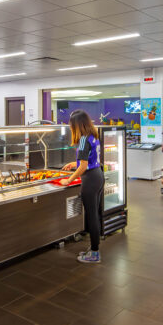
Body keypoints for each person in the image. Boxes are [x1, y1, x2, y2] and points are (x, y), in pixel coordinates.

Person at [62, 110, 104, 263]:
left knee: (91, 215)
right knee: (94, 214)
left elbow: (84, 166)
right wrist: (75, 163)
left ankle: (95, 253)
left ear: (77, 125)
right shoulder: (93, 136)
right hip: (98, 176)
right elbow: (89, 159)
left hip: (90, 179)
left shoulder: (82, 139)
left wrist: (70, 179)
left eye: (71, 124)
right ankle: (94, 247)